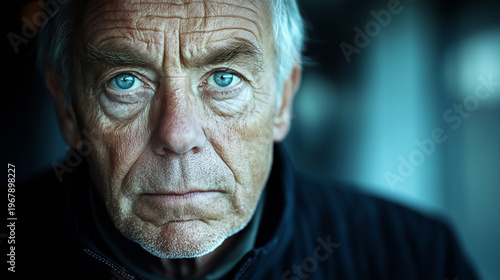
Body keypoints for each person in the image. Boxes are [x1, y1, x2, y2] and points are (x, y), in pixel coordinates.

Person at [14, 0, 477, 279]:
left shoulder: (416, 257)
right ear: (68, 107)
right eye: (126, 82)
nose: (177, 135)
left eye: (223, 77)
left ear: (283, 99)